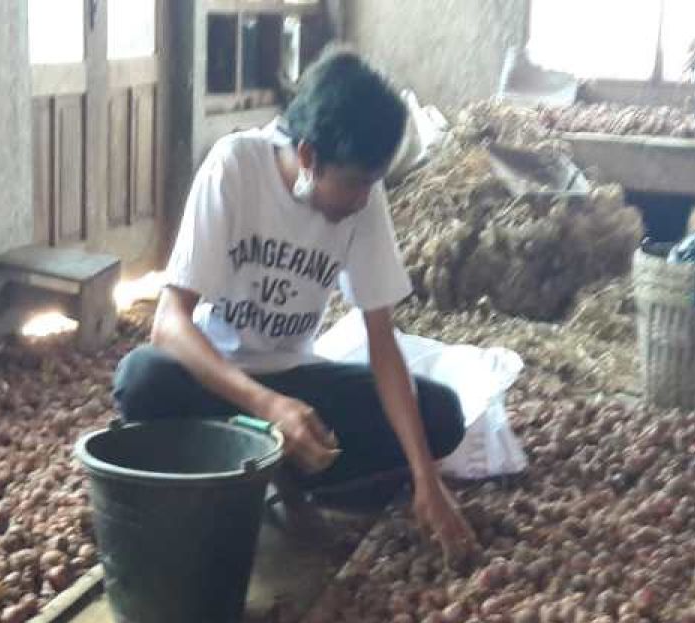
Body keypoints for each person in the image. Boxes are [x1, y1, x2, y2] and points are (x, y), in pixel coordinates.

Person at [113, 46, 477, 561]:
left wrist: (426, 477)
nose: (359, 200)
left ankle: (280, 472)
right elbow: (169, 323)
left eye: (370, 184)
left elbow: (382, 337)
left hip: (298, 384)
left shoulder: (364, 200)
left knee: (441, 413)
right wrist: (267, 406)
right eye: (352, 183)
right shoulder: (235, 166)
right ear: (307, 156)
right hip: (222, 387)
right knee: (142, 379)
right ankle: (265, 467)